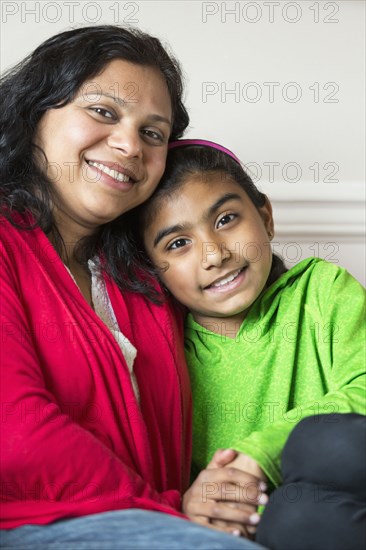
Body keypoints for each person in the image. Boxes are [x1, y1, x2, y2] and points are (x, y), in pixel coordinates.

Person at [0, 28, 267, 549]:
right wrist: (172, 507)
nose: (128, 145)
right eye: (103, 112)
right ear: (34, 114)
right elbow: (15, 435)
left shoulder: (147, 273)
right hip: (27, 522)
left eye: (153, 133)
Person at [120, 138, 366, 548]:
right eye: (178, 244)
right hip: (276, 527)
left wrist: (261, 455)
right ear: (153, 271)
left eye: (226, 219)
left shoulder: (322, 290)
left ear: (265, 217)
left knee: (323, 441)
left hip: (350, 478)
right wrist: (197, 503)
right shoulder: (163, 357)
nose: (214, 254)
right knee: (293, 518)